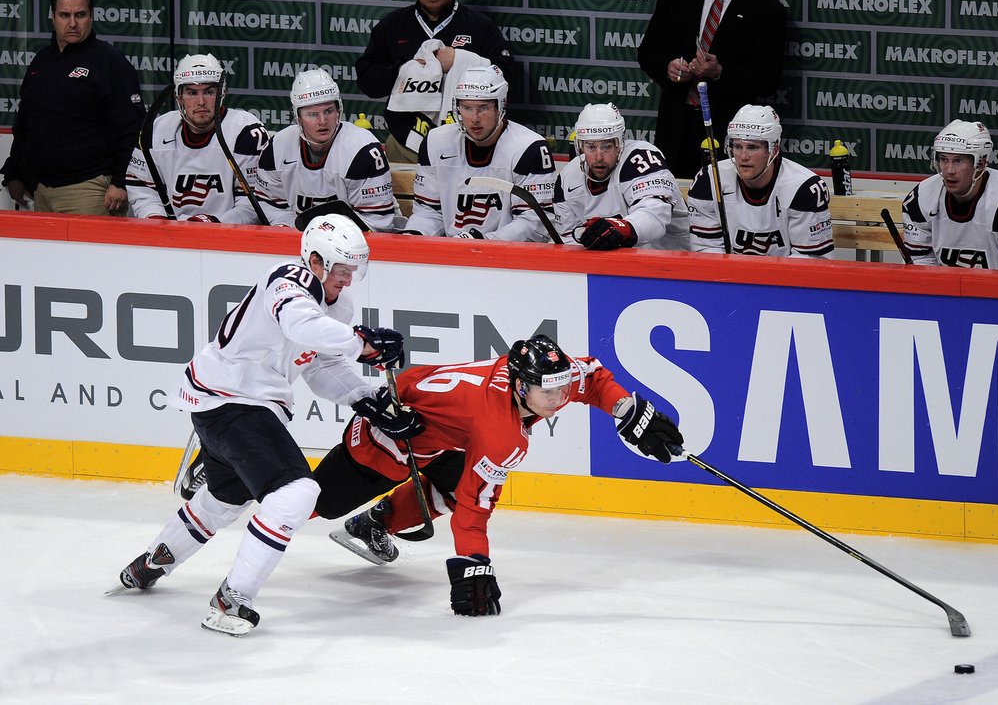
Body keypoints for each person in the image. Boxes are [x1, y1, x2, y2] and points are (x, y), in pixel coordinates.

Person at [115, 213, 414, 636]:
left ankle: (151, 562)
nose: (348, 280)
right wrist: (361, 342)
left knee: (227, 497)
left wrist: (366, 399)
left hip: (235, 406)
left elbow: (319, 366)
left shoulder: (337, 306)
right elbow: (300, 324)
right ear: (315, 260)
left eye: (353, 271)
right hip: (232, 400)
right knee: (297, 491)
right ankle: (229, 601)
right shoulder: (287, 277)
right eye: (342, 270)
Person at [312, 334, 684, 617]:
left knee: (453, 489)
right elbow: (476, 508)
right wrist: (472, 566)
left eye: (562, 387)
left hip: (446, 434)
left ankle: (376, 522)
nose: (559, 398)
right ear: (521, 385)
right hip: (389, 438)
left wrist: (625, 408)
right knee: (312, 501)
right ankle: (259, 498)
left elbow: (594, 377)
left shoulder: (542, 377)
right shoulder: (500, 433)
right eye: (549, 391)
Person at [1, 0, 144, 215]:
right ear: (53, 17)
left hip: (90, 190)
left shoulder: (109, 61)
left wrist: (121, 181)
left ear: (91, 16)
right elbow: (26, 124)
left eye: (80, 15)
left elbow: (132, 127)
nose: (73, 23)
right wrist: (14, 173)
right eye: (64, 15)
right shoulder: (41, 61)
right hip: (41, 191)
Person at [637, 0, 787, 178]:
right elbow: (648, 52)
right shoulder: (675, 1)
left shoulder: (766, 7)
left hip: (728, 130)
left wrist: (719, 72)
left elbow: (768, 79)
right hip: (675, 125)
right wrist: (668, 67)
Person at [404, 65, 557, 241]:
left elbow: (535, 225)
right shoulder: (435, 142)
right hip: (452, 253)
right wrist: (415, 235)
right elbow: (428, 212)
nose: (474, 118)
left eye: (483, 108)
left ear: (501, 104)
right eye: (467, 107)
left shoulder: (529, 147)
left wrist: (483, 241)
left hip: (508, 257)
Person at [355, 0, 514, 163]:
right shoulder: (393, 24)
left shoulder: (479, 26)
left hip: (466, 146)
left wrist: (460, 59)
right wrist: (405, 70)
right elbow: (367, 81)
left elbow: (506, 74)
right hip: (404, 145)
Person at [126, 53, 270, 224]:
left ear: (223, 93)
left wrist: (210, 223)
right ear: (179, 97)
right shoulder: (156, 130)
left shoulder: (246, 131)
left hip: (229, 235)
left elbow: (253, 203)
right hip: (172, 234)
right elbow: (142, 189)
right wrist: (158, 221)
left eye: (209, 92)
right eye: (192, 93)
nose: (201, 101)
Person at [254, 70, 401, 230]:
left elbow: (375, 223)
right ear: (298, 117)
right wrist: (292, 232)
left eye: (328, 111)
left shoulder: (363, 150)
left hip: (357, 242)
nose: (322, 121)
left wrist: (322, 237)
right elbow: (272, 205)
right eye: (312, 114)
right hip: (300, 240)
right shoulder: (276, 147)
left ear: (339, 110)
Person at [686, 104, 834, 258]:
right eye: (737, 146)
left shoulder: (803, 187)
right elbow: (707, 251)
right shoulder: (709, 181)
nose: (743, 156)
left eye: (752, 147)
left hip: (783, 279)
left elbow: (811, 260)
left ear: (774, 149)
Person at [901, 120, 998, 271]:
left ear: (981, 163)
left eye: (958, 161)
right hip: (946, 291)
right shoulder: (920, 198)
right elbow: (921, 263)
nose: (949, 170)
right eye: (944, 159)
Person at [553, 103, 690, 251]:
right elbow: (569, 239)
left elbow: (655, 216)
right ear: (580, 146)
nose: (599, 157)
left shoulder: (641, 159)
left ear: (619, 143)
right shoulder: (567, 178)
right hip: (612, 265)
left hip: (672, 258)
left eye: (607, 146)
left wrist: (622, 227)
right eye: (591, 147)